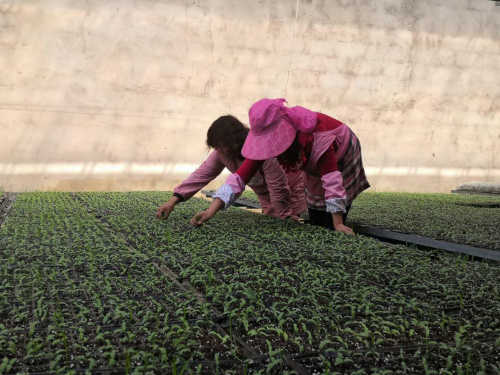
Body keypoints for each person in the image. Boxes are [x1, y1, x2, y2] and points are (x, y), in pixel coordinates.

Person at [190, 99, 370, 234]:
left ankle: (337, 225)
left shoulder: (318, 139)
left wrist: (338, 224)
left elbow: (332, 181)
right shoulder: (267, 145)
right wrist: (210, 211)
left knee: (331, 224)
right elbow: (239, 178)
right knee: (317, 215)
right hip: (313, 164)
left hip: (343, 154)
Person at [156, 115, 307, 221]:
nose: (218, 150)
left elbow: (278, 187)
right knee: (273, 224)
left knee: (287, 224)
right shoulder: (221, 154)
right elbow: (201, 175)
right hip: (264, 194)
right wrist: (173, 200)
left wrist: (285, 215)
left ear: (235, 141)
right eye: (215, 147)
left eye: (221, 146)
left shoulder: (262, 150)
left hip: (290, 190)